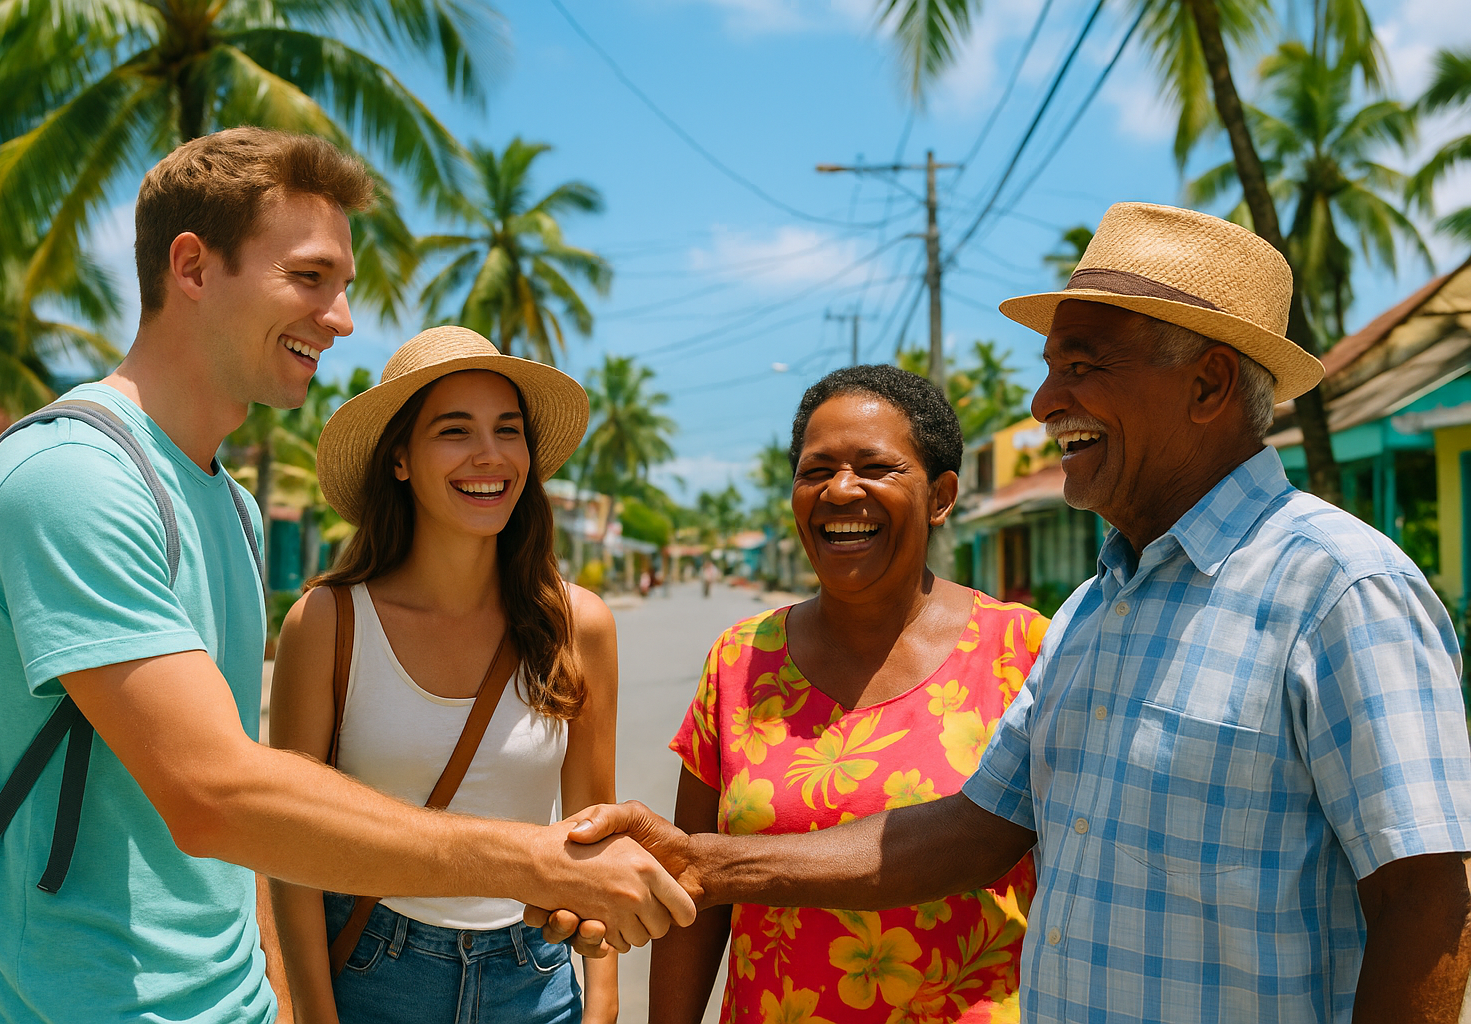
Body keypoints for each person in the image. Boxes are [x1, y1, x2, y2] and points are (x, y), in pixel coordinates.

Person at [533, 203, 1471, 1023]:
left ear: (1209, 385)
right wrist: (700, 862)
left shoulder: (1336, 590)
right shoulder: (1093, 613)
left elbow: (1431, 900)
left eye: (1082, 365)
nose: (1043, 400)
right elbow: (969, 835)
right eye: (1050, 364)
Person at [0, 129, 691, 1024]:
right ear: (192, 267)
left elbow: (237, 848)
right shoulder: (75, 477)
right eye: (309, 278)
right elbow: (216, 795)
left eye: (341, 288)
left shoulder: (228, 506)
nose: (339, 319)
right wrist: (540, 863)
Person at [652, 365, 1042, 1023]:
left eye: (875, 467)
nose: (839, 490)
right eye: (816, 470)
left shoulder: (1024, 652)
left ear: (942, 496)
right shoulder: (740, 661)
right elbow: (695, 885)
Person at [268, 327, 619, 1024]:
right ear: (399, 458)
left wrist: (601, 1006)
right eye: (454, 431)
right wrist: (311, 1013)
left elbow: (592, 837)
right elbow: (288, 848)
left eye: (507, 430)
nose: (489, 456)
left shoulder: (578, 625)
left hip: (535, 979)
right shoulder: (329, 622)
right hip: (374, 973)